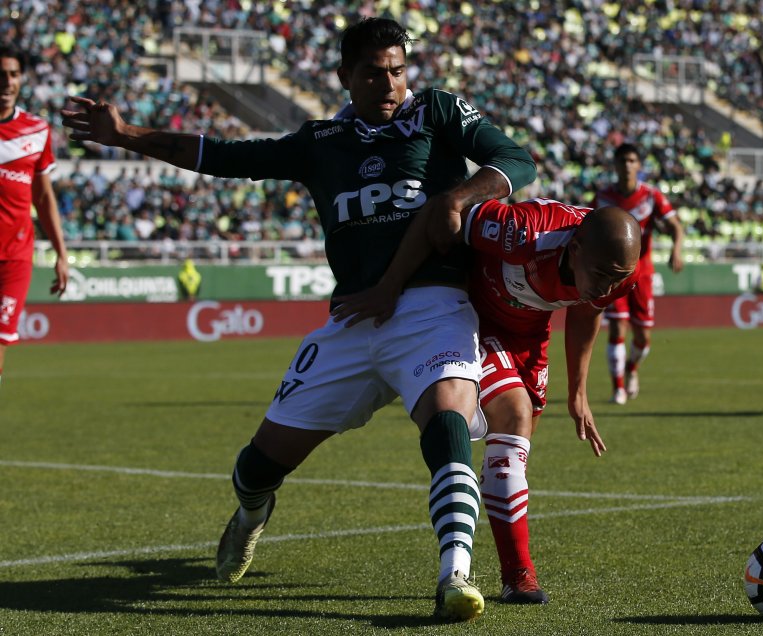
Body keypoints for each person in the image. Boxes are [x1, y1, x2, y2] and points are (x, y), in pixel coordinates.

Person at [61, 17, 537, 621]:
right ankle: (253, 512)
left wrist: (459, 197)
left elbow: (516, 161)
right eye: (373, 72)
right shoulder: (321, 142)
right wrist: (129, 135)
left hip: (431, 305)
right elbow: (225, 157)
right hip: (354, 317)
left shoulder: (438, 112)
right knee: (259, 466)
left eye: (397, 69)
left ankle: (455, 575)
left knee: (446, 418)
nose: (389, 83)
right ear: (344, 76)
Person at [332, 198, 642, 604]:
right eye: (601, 274)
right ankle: (517, 574)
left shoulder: (618, 270)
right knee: (514, 416)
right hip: (469, 318)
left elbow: (587, 312)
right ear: (576, 247)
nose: (606, 286)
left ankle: (508, 564)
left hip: (528, 337)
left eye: (615, 279)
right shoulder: (524, 231)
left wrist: (578, 392)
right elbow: (444, 217)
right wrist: (399, 289)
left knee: (517, 444)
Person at [591, 143, 683, 405]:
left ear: (639, 165)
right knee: (617, 327)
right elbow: (587, 227)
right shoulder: (603, 198)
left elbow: (676, 226)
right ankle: (617, 388)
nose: (627, 165)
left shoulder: (651, 196)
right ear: (616, 165)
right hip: (614, 274)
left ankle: (632, 368)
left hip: (642, 273)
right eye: (622, 161)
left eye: (632, 160)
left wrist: (676, 250)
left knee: (643, 337)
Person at [0, 45, 69, 388]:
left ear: (21, 79)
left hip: (14, 257)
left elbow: (43, 197)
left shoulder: (36, 131)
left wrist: (61, 253)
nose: (7, 83)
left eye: (13, 75)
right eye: (1, 75)